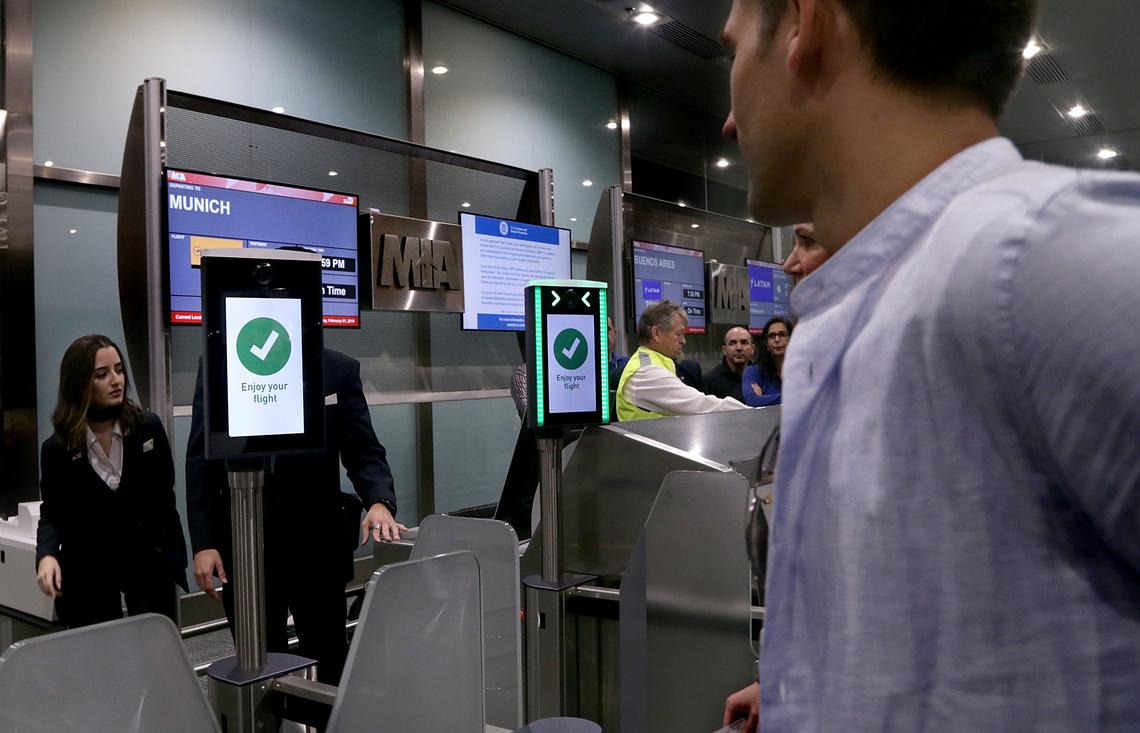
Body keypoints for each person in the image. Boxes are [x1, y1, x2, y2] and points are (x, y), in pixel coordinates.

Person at [722, 0, 1140, 731]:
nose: (729, 122)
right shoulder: (864, 303)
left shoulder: (1037, 260)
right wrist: (806, 685)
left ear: (803, 26)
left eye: (733, 50)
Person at [186, 347, 404, 684]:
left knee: (328, 660)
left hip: (316, 546)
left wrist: (379, 500)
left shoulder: (337, 370)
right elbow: (201, 459)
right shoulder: (224, 365)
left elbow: (363, 450)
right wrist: (204, 542)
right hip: (246, 544)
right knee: (258, 667)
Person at [35, 335, 187, 628]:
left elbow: (164, 497)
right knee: (100, 649)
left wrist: (172, 556)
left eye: (118, 370)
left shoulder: (148, 428)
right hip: (91, 566)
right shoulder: (58, 449)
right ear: (79, 383)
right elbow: (52, 513)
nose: (116, 380)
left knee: (156, 645)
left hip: (148, 561)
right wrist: (47, 555)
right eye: (102, 374)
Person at [616, 301, 749, 421]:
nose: (683, 341)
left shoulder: (648, 362)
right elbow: (701, 406)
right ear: (656, 333)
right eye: (678, 334)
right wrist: (753, 414)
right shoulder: (646, 372)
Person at [741, 317, 792, 407]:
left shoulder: (803, 369)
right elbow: (752, 400)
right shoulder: (753, 372)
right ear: (766, 344)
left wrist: (764, 399)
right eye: (772, 336)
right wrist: (793, 396)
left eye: (782, 335)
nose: (777, 339)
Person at [703, 326, 755, 403]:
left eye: (744, 342)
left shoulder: (762, 377)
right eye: (732, 343)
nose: (739, 348)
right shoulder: (709, 381)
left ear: (752, 349)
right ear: (724, 350)